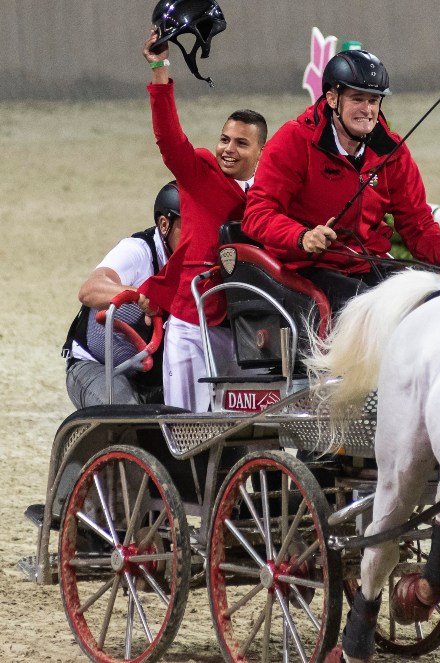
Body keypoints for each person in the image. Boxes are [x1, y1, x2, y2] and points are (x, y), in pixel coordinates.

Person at [242, 49, 440, 312]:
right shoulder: (293, 141)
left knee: (432, 303)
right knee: (372, 309)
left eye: (374, 101)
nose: (367, 110)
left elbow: (417, 223)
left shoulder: (392, 150)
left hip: (366, 264)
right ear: (332, 99)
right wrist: (302, 236)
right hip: (304, 269)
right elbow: (257, 215)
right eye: (357, 99)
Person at [139, 25, 267, 412]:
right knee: (188, 430)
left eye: (241, 143)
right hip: (193, 325)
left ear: (262, 152)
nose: (228, 149)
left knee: (255, 430)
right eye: (225, 139)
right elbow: (168, 137)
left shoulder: (270, 193)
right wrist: (160, 68)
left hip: (248, 330)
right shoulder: (199, 174)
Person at [63, 182, 181, 408]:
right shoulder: (138, 250)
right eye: (190, 226)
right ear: (164, 224)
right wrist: (141, 295)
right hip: (97, 367)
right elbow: (90, 289)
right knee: (124, 411)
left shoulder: (200, 259)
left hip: (156, 377)